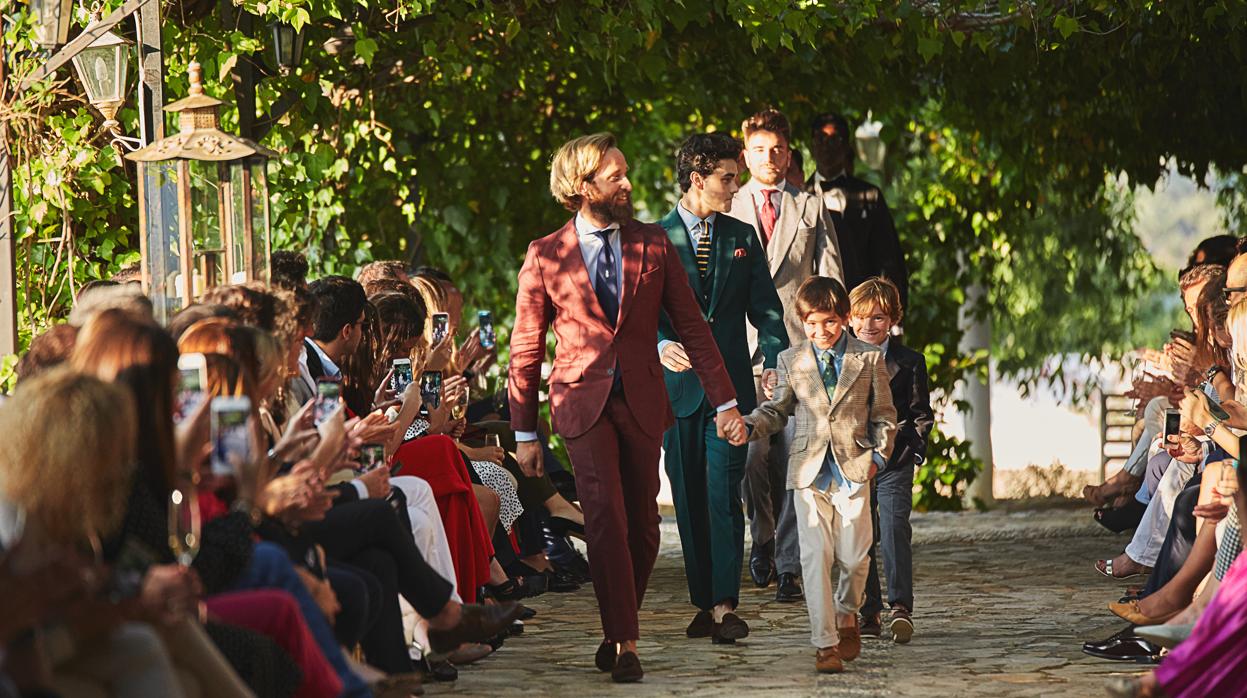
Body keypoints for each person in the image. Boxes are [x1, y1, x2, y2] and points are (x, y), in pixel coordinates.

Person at [508, 132, 742, 683]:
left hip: (642, 400)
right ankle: (624, 640)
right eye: (616, 176)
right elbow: (525, 347)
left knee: (642, 526)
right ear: (581, 185)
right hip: (579, 404)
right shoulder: (545, 254)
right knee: (605, 517)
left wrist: (726, 402)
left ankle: (619, 625)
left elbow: (692, 328)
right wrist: (524, 434)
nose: (628, 184)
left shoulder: (653, 243)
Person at [656, 132, 788, 644]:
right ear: (697, 179)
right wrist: (658, 345)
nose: (736, 187)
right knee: (688, 495)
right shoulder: (653, 239)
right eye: (727, 178)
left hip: (732, 389)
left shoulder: (742, 236)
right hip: (678, 391)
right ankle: (703, 601)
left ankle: (724, 605)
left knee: (723, 494)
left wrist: (774, 359)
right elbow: (635, 316)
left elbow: (768, 309)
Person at [737, 275, 897, 674]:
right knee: (814, 557)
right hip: (808, 473)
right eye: (811, 323)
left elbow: (885, 416)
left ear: (843, 318)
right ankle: (824, 643)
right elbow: (777, 411)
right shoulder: (792, 360)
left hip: (854, 470)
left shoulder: (869, 358)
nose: (820, 331)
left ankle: (847, 612)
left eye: (828, 322)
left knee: (855, 559)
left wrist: (877, 457)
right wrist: (748, 425)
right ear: (802, 322)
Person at [726, 108, 844, 600]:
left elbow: (831, 279)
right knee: (754, 456)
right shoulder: (727, 207)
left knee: (802, 454)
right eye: (759, 149)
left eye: (777, 149)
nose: (769, 157)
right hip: (745, 351)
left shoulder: (811, 207)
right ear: (745, 154)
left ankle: (792, 565)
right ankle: (764, 538)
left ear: (788, 154)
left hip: (802, 352)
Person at [849, 277, 933, 643]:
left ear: (893, 320)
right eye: (863, 318)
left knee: (895, 527)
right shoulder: (842, 359)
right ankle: (869, 611)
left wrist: (914, 449)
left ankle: (900, 607)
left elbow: (920, 413)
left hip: (895, 461)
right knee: (862, 534)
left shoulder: (910, 362)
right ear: (850, 319)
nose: (870, 326)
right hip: (853, 458)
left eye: (879, 318)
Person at [808, 113, 909, 309]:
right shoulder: (799, 197)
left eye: (834, 139)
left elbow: (888, 257)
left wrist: (894, 316)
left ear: (846, 146)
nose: (826, 146)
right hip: (813, 311)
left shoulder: (869, 196)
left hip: (862, 309)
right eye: (820, 138)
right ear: (812, 144)